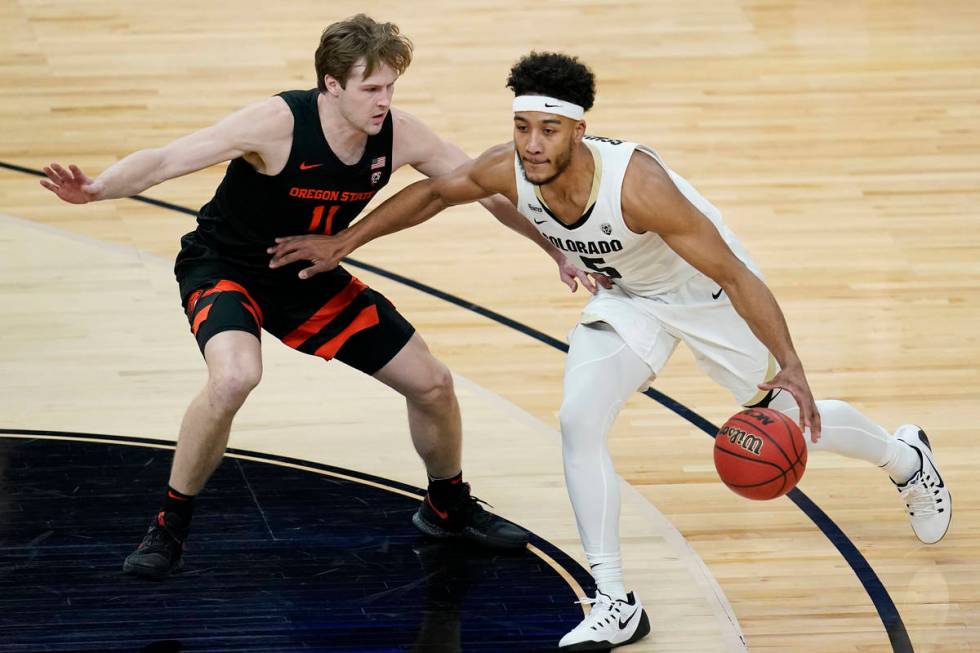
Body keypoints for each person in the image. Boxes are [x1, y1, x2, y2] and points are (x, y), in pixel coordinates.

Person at [266, 51, 953, 651]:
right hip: (628, 298)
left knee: (790, 417)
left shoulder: (637, 187)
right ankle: (616, 600)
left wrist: (792, 367)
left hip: (705, 294)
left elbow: (736, 275)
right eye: (522, 127)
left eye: (549, 129)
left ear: (579, 130)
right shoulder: (510, 168)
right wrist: (344, 242)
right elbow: (434, 194)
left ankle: (904, 457)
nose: (532, 144)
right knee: (579, 419)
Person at [38, 17, 603, 581]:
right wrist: (97, 189)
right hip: (227, 267)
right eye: (370, 89)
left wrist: (555, 248)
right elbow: (167, 159)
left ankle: (447, 505)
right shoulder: (278, 122)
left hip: (309, 273)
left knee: (432, 383)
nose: (384, 101)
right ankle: (170, 525)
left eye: (389, 87)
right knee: (235, 377)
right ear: (331, 85)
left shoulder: (400, 133)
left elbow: (487, 188)